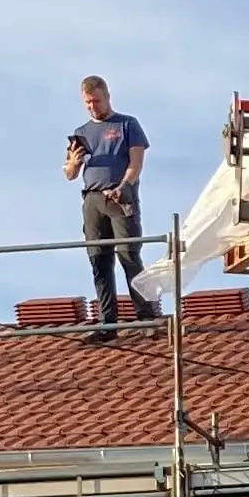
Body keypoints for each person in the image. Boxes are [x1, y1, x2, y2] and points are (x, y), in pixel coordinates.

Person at [63, 75, 161, 340]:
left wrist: (124, 185)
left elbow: (136, 162)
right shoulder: (82, 133)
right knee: (99, 259)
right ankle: (108, 324)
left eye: (96, 100)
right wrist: (73, 162)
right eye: (87, 103)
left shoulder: (127, 124)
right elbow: (70, 174)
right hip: (92, 200)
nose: (93, 106)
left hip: (120, 196)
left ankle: (147, 317)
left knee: (129, 255)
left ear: (107, 96)